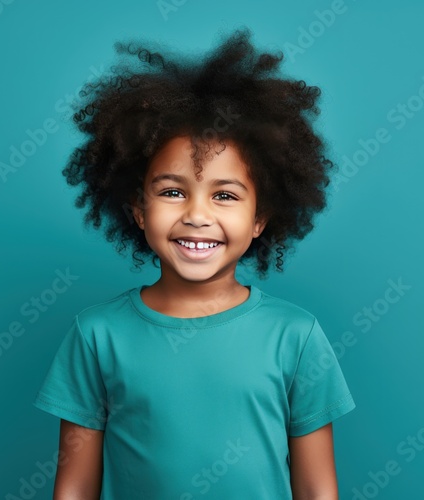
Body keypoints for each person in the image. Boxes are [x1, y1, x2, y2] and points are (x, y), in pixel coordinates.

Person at [33, 27, 356, 499]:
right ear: (138, 210)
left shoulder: (296, 337)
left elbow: (317, 487)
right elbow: (74, 488)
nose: (197, 215)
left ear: (261, 217)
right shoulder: (96, 335)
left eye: (225, 195)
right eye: (172, 192)